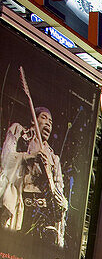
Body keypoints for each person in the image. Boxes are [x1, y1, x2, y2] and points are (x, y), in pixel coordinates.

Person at [0, 101, 67, 245]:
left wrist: (63, 203)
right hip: (22, 204)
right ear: (33, 120)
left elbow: (58, 187)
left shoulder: (53, 157)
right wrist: (30, 156)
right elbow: (6, 160)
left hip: (43, 214)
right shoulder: (19, 133)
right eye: (44, 118)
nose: (48, 123)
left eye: (51, 121)